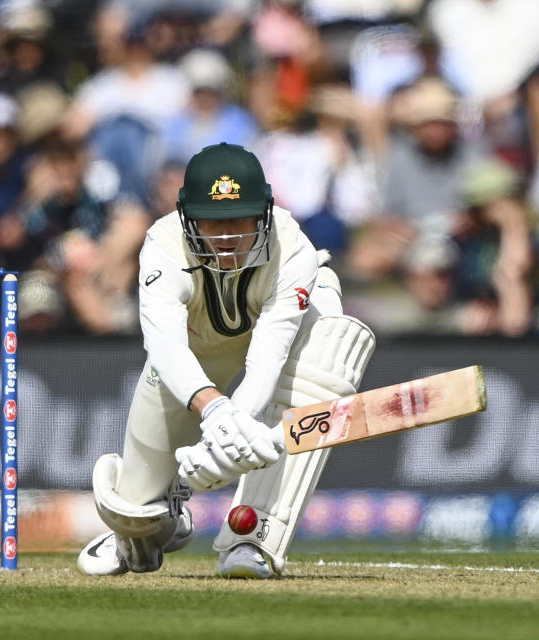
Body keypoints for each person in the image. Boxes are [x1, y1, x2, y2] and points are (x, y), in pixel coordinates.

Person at [77, 143, 376, 579]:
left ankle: (254, 539)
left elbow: (268, 357)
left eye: (240, 220)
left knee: (330, 342)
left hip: (276, 349)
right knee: (135, 519)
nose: (227, 236)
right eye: (213, 223)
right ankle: (162, 506)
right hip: (193, 353)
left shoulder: (293, 250)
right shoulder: (162, 245)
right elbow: (165, 347)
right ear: (188, 218)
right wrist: (217, 413)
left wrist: (235, 426)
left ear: (265, 214)